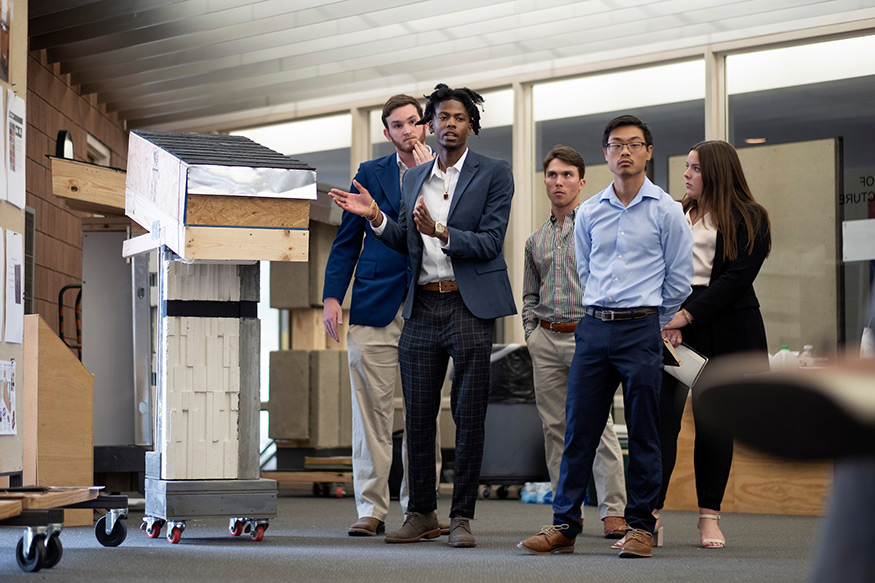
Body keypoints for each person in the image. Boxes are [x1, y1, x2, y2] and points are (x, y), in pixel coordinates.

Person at [329, 84, 516, 548]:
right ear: (429, 125)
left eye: (457, 117)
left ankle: (460, 517)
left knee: (467, 415)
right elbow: (398, 241)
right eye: (441, 117)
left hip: (467, 305)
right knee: (414, 414)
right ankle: (414, 513)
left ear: (469, 124)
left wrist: (442, 231)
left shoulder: (493, 172)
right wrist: (374, 216)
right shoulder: (402, 177)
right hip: (417, 305)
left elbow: (491, 241)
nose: (446, 124)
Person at [518, 115, 693, 559]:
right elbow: (586, 270)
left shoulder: (667, 210)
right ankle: (564, 524)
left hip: (642, 328)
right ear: (606, 154)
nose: (625, 152)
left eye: (634, 144)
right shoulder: (591, 210)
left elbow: (679, 280)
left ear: (648, 152)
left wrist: (651, 321)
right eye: (616, 145)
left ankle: (639, 527)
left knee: (644, 431)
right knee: (578, 428)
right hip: (593, 327)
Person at [322, 94, 446, 537]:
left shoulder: (447, 172)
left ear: (426, 126)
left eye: (414, 122)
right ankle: (371, 509)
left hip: (427, 306)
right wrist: (332, 296)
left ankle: (420, 508)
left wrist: (433, 176)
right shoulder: (369, 174)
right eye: (398, 125)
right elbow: (346, 243)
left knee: (423, 414)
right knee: (370, 413)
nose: (407, 130)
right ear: (388, 132)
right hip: (374, 305)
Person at [656, 140, 771, 549]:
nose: (686, 174)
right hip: (672, 327)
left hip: (724, 326)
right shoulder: (673, 212)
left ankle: (709, 518)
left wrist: (687, 316)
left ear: (717, 173)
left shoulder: (750, 217)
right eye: (686, 166)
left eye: (695, 168)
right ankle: (649, 515)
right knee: (660, 422)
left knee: (714, 426)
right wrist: (667, 318)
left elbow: (736, 279)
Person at [522, 145, 627, 539]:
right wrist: (532, 334)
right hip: (546, 338)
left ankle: (614, 511)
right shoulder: (535, 240)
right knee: (555, 430)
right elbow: (529, 296)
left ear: (582, 182)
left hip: (588, 338)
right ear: (545, 182)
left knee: (598, 427)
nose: (559, 182)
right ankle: (567, 512)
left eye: (567, 175)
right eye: (552, 175)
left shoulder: (599, 226)